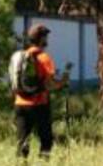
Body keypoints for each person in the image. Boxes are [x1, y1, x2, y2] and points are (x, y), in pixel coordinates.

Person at [11, 23, 69, 160]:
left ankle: (21, 162)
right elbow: (49, 85)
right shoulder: (44, 58)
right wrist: (62, 82)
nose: (47, 39)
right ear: (42, 38)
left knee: (22, 142)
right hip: (39, 104)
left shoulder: (21, 56)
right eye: (46, 36)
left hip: (20, 103)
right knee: (46, 140)